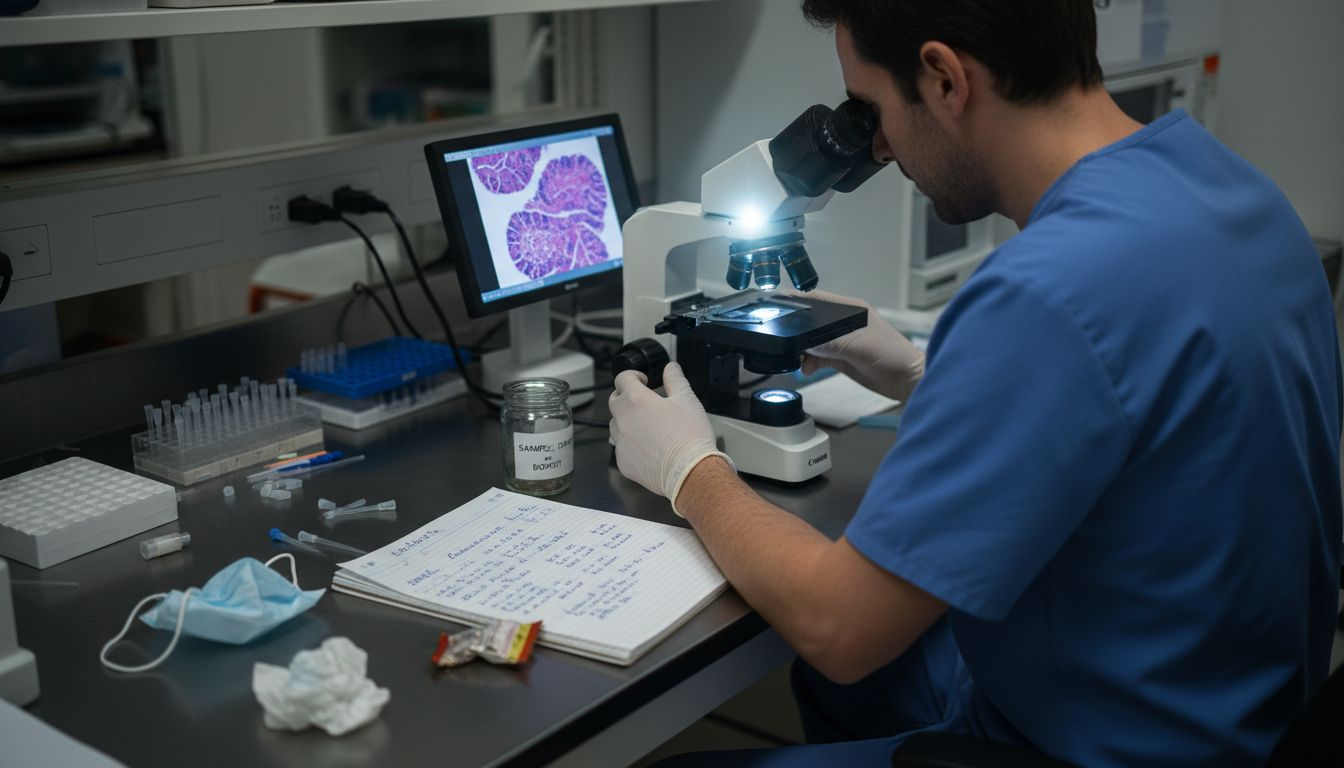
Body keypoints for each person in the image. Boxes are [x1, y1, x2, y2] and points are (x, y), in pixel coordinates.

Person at [608, 1, 1343, 766]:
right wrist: (925, 377)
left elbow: (837, 627)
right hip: (1234, 708)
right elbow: (1145, 420)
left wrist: (689, 468)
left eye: (871, 109)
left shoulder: (1044, 291)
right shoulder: (1239, 193)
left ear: (944, 79)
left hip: (1104, 745)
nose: (877, 147)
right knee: (855, 690)